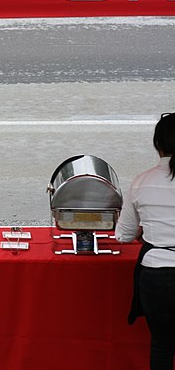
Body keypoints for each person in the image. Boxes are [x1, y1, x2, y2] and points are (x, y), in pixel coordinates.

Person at [116, 112, 175, 370]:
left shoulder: (142, 181)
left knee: (161, 346)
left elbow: (123, 235)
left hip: (157, 275)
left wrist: (145, 230)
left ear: (158, 145)